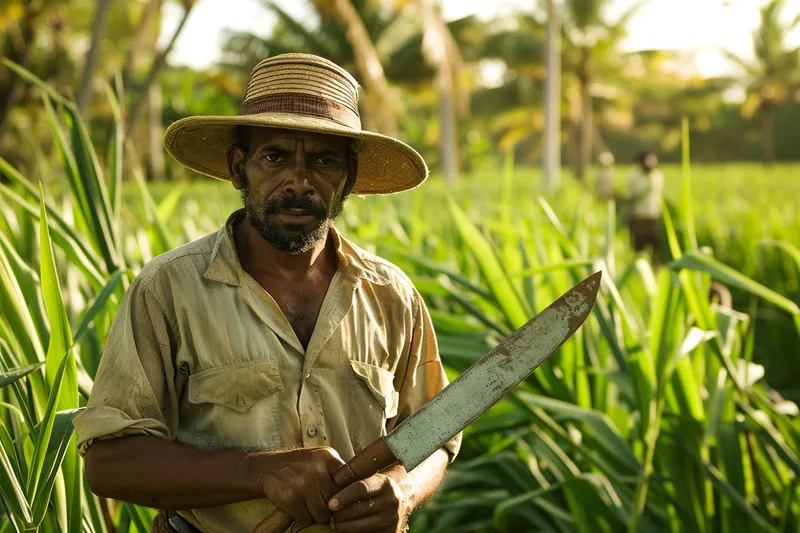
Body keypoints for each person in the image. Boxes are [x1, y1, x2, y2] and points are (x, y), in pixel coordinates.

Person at [74, 53, 461, 533]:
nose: (299, 180)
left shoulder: (391, 296)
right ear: (238, 167)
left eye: (323, 159)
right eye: (275, 157)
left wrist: (403, 489)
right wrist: (260, 473)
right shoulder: (169, 290)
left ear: (350, 178)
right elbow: (110, 462)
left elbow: (437, 433)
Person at [626, 150, 664, 263]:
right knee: (639, 246)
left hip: (653, 217)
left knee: (655, 246)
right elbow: (628, 198)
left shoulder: (658, 176)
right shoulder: (633, 177)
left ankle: (655, 267)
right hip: (639, 217)